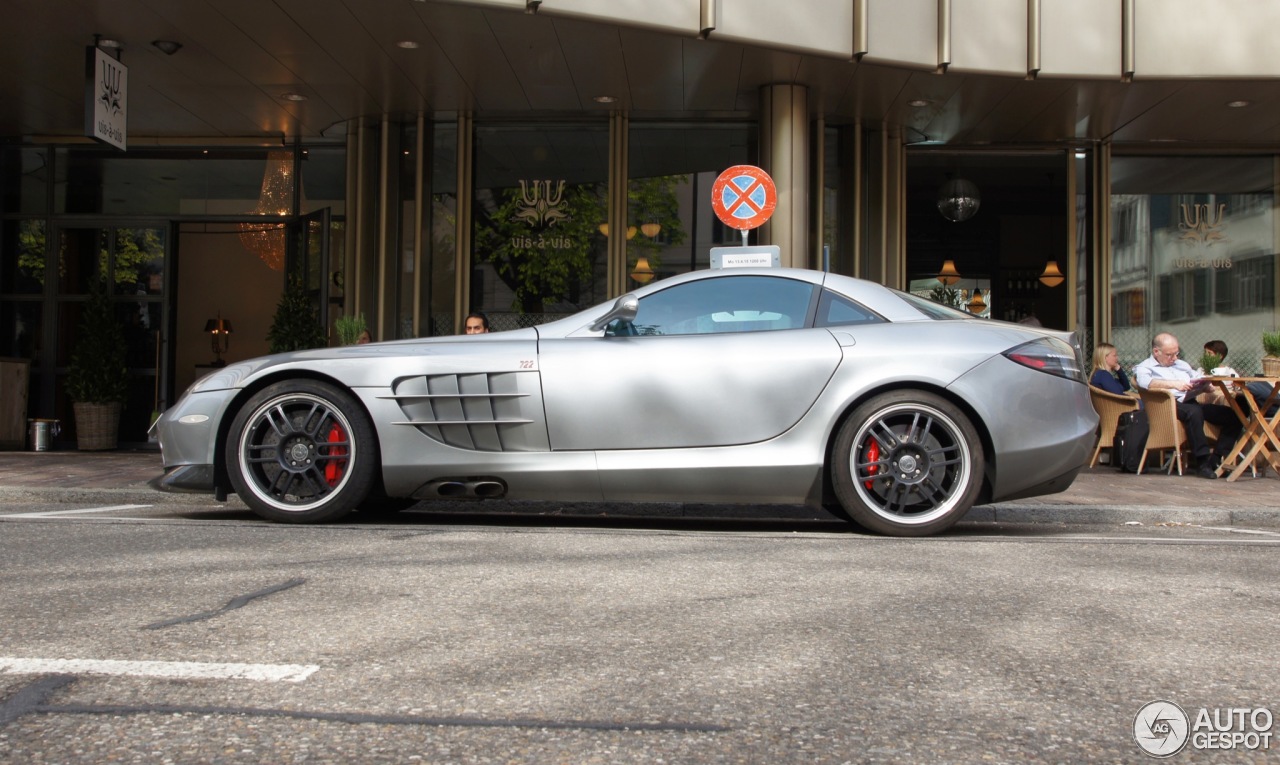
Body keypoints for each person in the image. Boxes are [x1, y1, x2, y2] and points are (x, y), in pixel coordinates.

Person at [1134, 332, 1243, 479]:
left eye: (1176, 353)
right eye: (1170, 355)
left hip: (1191, 401)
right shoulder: (1145, 367)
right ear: (1156, 352)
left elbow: (1196, 377)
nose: (1174, 358)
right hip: (1168, 404)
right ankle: (1202, 462)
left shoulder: (1181, 364)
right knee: (1194, 412)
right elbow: (1144, 383)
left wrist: (1205, 385)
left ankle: (1216, 459)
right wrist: (1174, 384)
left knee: (1234, 415)